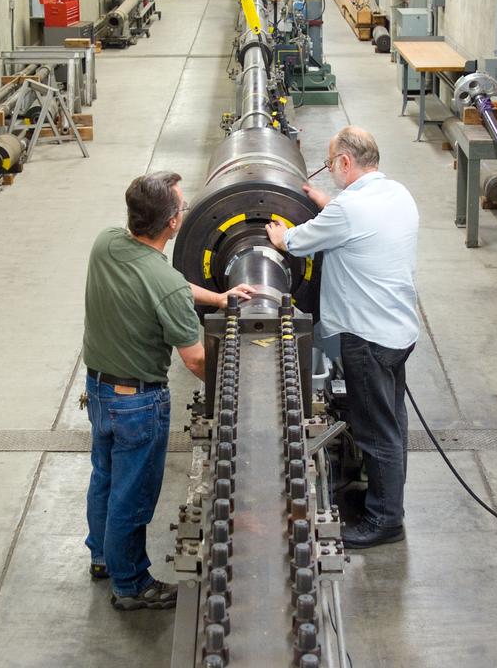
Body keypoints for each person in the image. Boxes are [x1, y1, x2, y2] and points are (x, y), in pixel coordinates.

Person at [82, 171, 251, 610]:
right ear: (173, 223)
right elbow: (194, 358)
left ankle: (102, 558)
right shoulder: (165, 283)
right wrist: (233, 392)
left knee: (105, 478)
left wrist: (217, 299)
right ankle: (132, 585)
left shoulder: (106, 244)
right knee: (131, 497)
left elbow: (164, 283)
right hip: (138, 403)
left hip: (98, 390)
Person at [266, 127, 420, 550]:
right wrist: (328, 202)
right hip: (399, 331)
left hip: (367, 339)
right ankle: (388, 496)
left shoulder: (348, 210)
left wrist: (279, 236)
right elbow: (356, 221)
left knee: (375, 430)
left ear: (346, 163)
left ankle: (384, 520)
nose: (330, 170)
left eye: (331, 163)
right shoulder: (396, 194)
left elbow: (294, 242)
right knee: (392, 419)